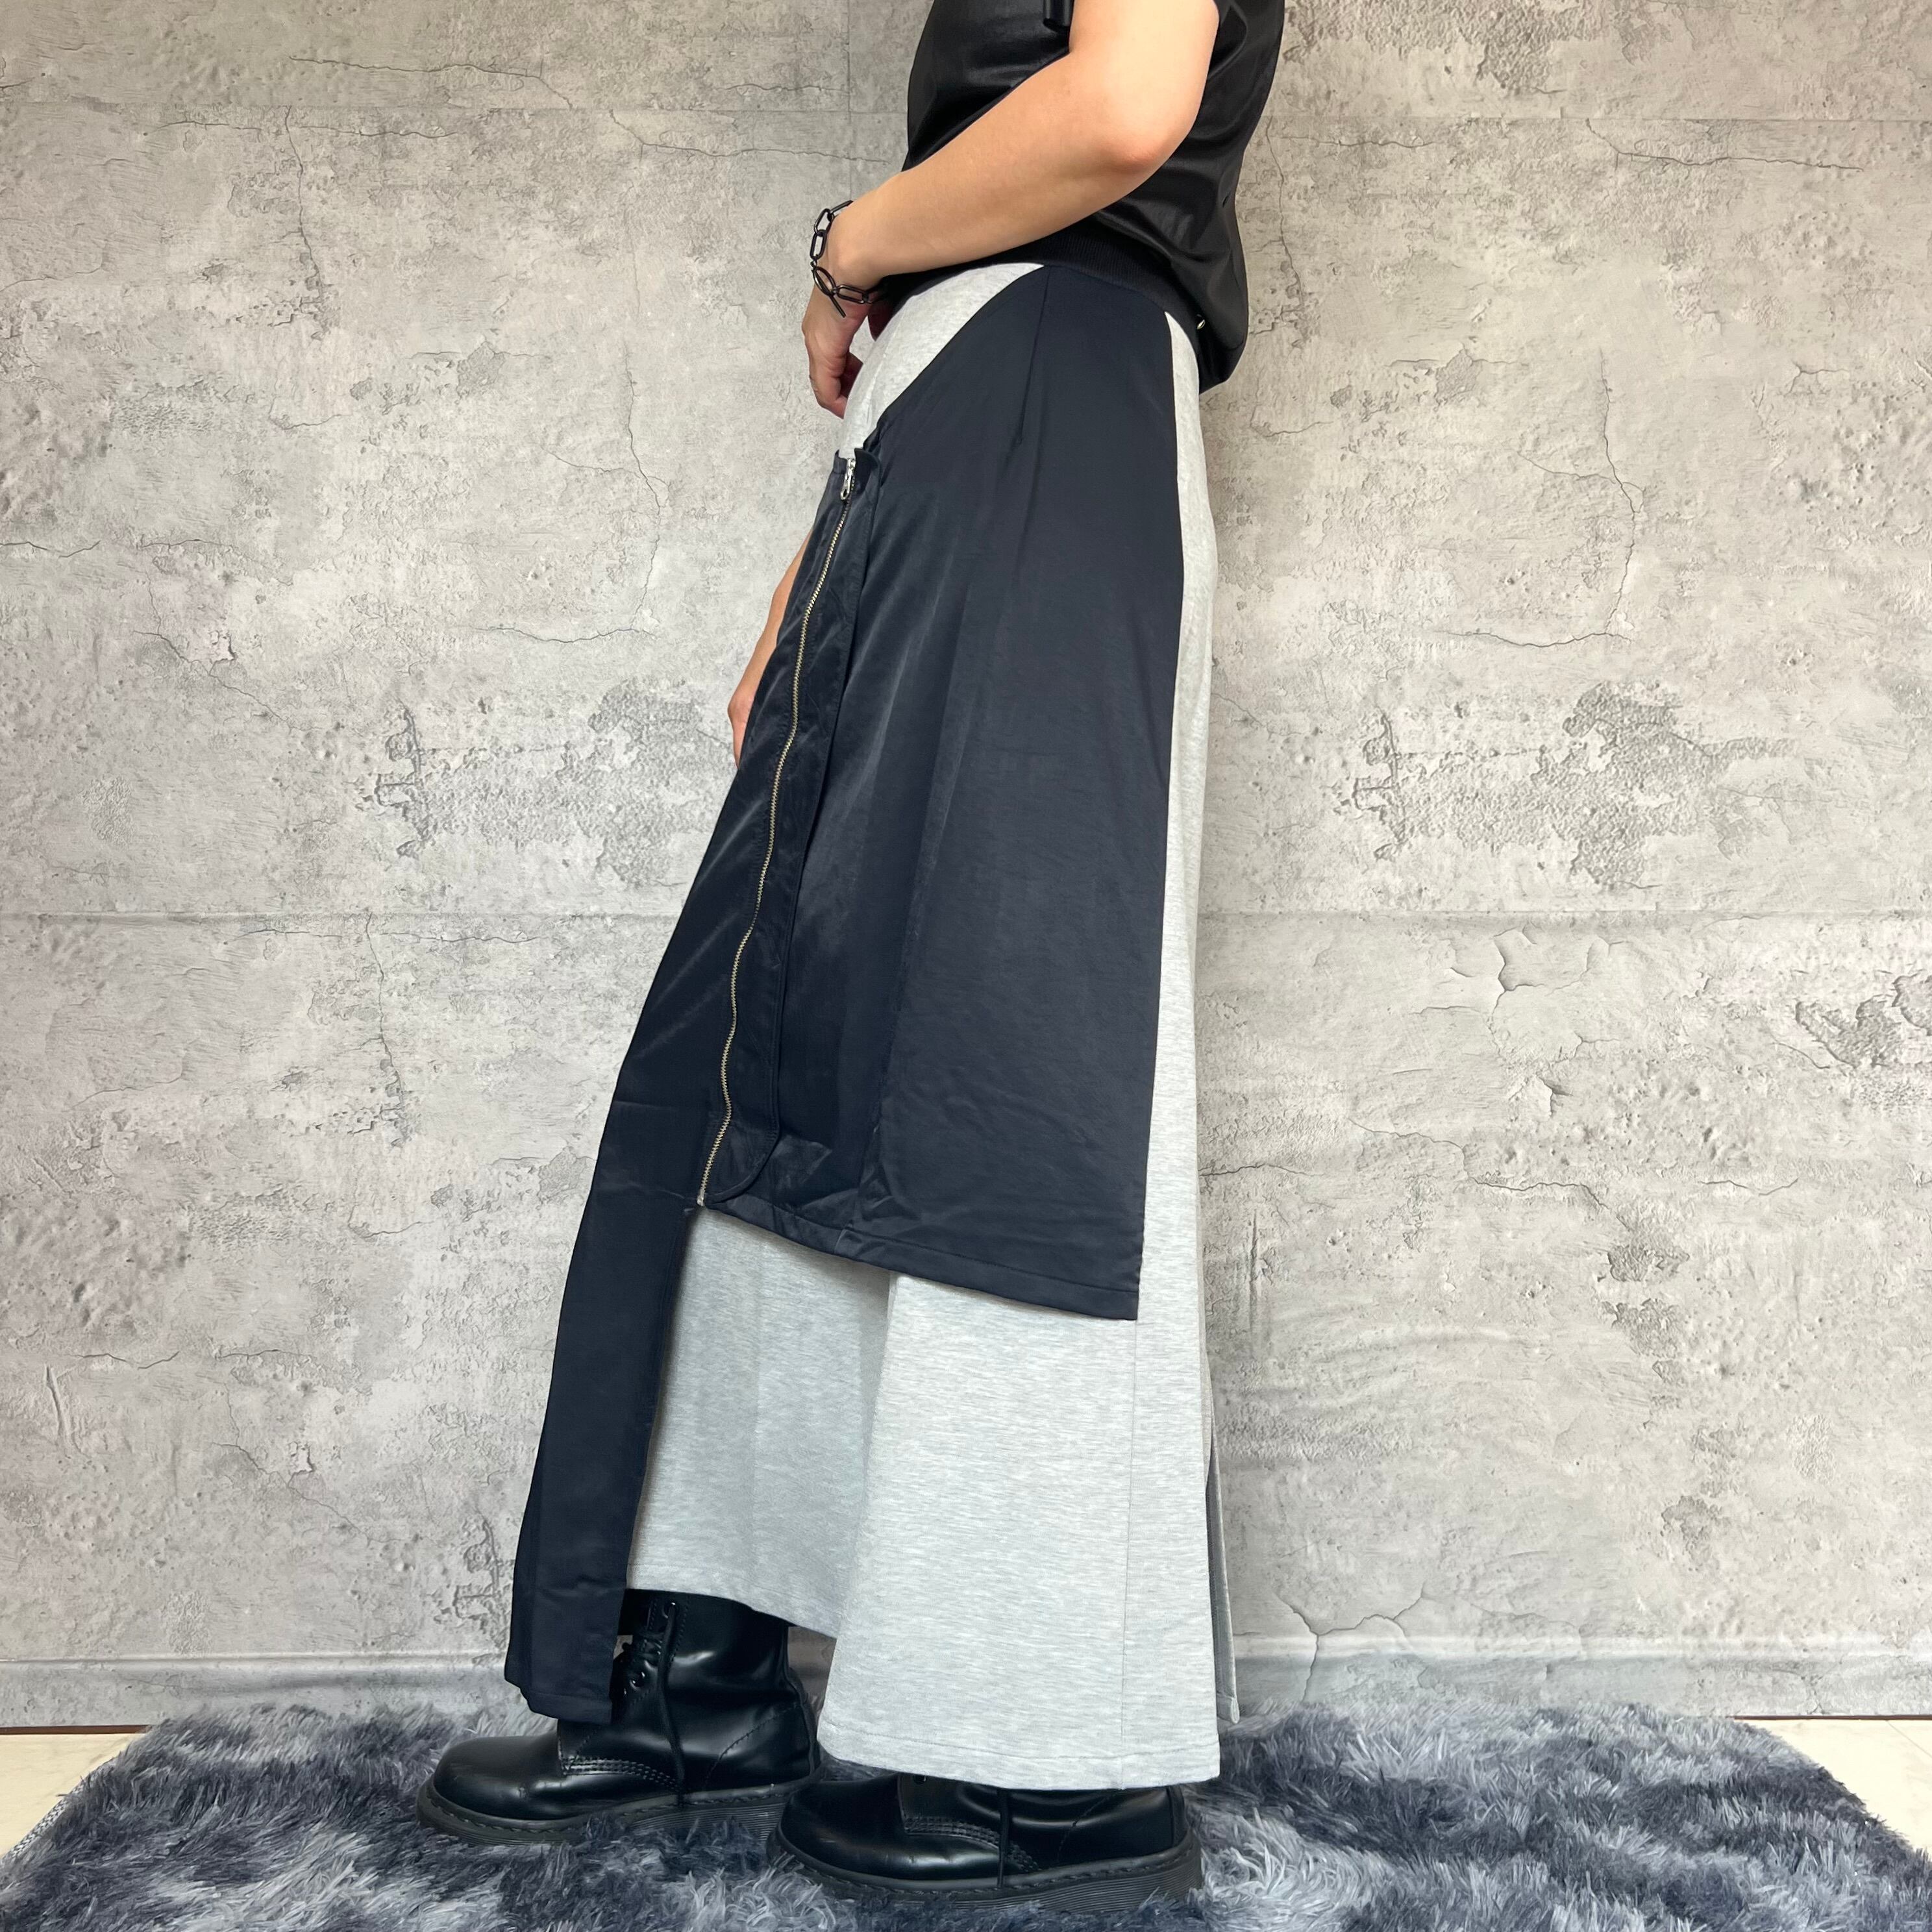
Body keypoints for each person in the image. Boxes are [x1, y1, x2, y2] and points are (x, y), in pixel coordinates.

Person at [415, 0, 1283, 1908]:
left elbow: (1123, 107)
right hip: (950, 437)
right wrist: (827, 553)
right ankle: (701, 1665)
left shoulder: (973, 267)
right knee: (774, 1039)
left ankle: (1052, 1745)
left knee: (1016, 1077)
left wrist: (846, 248)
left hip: (1045, 403)